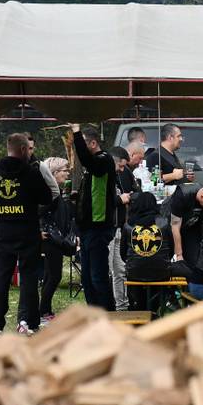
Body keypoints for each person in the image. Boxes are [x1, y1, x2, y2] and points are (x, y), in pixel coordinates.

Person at [0, 133, 53, 336]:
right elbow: (47, 197)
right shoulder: (31, 173)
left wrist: (3, 210)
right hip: (28, 234)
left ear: (7, 148)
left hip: (3, 234)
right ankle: (26, 321)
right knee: (29, 279)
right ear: (22, 150)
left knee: (1, 280)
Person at [72, 123, 122, 311]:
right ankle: (92, 315)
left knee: (97, 276)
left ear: (93, 143)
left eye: (83, 144)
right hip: (87, 228)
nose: (80, 150)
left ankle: (108, 314)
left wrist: (76, 132)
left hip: (99, 228)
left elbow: (86, 160)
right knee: (86, 278)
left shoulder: (104, 160)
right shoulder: (92, 164)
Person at [121, 192, 173, 314]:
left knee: (138, 294)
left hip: (135, 272)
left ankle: (139, 309)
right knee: (157, 291)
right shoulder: (164, 223)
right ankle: (154, 311)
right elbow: (170, 249)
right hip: (160, 272)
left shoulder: (128, 225)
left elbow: (123, 253)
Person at [39, 158, 75, 324]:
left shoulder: (59, 191)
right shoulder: (50, 192)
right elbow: (38, 212)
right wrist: (40, 230)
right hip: (50, 239)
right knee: (54, 276)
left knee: (51, 275)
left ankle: (45, 309)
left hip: (57, 238)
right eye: (64, 170)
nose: (67, 173)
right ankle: (43, 311)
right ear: (53, 173)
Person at [166, 183, 203, 270]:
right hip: (172, 227)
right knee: (175, 260)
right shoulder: (182, 195)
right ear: (202, 197)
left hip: (192, 227)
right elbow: (175, 226)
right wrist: (179, 254)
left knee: (193, 261)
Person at [109, 147, 133, 310]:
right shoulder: (103, 177)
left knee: (120, 270)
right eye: (121, 165)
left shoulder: (117, 176)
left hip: (119, 228)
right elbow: (101, 203)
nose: (122, 169)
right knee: (107, 269)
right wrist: (119, 199)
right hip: (107, 230)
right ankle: (105, 307)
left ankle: (122, 306)